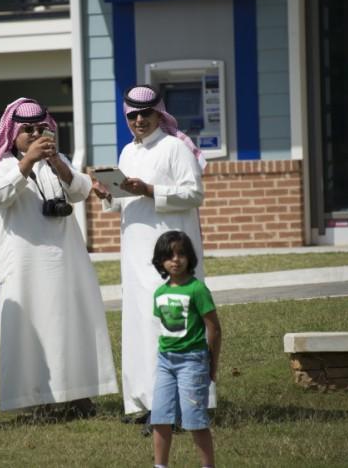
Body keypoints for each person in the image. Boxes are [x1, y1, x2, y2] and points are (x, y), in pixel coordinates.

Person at [0, 98, 118, 414]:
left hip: (65, 261)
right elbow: (0, 194)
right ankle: (37, 400)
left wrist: (57, 163)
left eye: (40, 128)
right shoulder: (2, 166)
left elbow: (81, 191)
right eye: (27, 129)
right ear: (12, 133)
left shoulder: (57, 161)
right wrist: (27, 160)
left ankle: (78, 394)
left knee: (71, 326)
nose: (35, 133)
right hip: (23, 266)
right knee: (32, 332)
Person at [92, 84, 207, 425]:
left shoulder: (174, 147)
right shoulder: (127, 152)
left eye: (145, 114)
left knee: (168, 325)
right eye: (132, 115)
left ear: (160, 114)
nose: (139, 121)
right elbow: (123, 202)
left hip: (169, 252)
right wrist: (106, 193)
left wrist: (150, 190)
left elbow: (194, 194)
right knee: (140, 325)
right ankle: (147, 403)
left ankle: (174, 408)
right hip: (135, 253)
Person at [150, 230, 221, 468]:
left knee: (194, 419)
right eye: (169, 255)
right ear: (160, 261)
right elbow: (164, 329)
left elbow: (214, 329)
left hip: (192, 361)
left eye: (181, 254)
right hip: (165, 362)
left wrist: (212, 364)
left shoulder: (197, 290)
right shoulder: (160, 293)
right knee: (159, 417)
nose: (176, 259)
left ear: (189, 257)